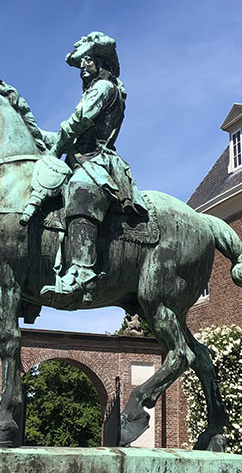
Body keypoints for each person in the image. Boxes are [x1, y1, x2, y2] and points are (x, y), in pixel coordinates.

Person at [41, 32, 147, 298]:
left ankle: (82, 270)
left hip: (96, 160)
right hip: (79, 157)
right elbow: (69, 132)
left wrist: (55, 148)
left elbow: (77, 122)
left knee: (80, 189)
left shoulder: (104, 88)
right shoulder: (93, 89)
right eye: (81, 63)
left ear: (100, 62)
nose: (82, 69)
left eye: (86, 61)